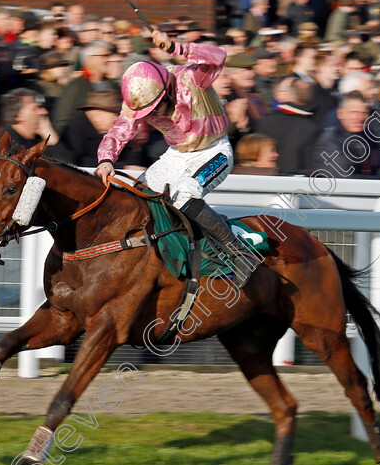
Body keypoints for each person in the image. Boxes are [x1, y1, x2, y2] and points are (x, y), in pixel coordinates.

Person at [93, 29, 258, 288]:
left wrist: (176, 47)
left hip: (214, 151)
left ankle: (240, 253)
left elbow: (218, 56)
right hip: (176, 156)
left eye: (155, 105)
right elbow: (119, 131)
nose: (153, 113)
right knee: (138, 198)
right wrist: (106, 159)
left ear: (166, 88)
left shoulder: (192, 78)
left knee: (184, 196)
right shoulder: (136, 103)